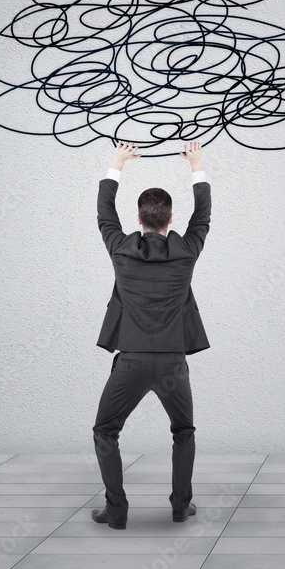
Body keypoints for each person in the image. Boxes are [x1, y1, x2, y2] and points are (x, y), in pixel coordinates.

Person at [90, 140, 212, 529]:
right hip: (173, 363)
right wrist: (196, 165)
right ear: (171, 219)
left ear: (139, 220)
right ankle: (180, 506)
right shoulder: (187, 251)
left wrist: (117, 162)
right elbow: (204, 217)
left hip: (131, 363)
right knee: (184, 431)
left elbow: (104, 214)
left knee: (105, 431)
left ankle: (117, 510)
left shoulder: (120, 251)